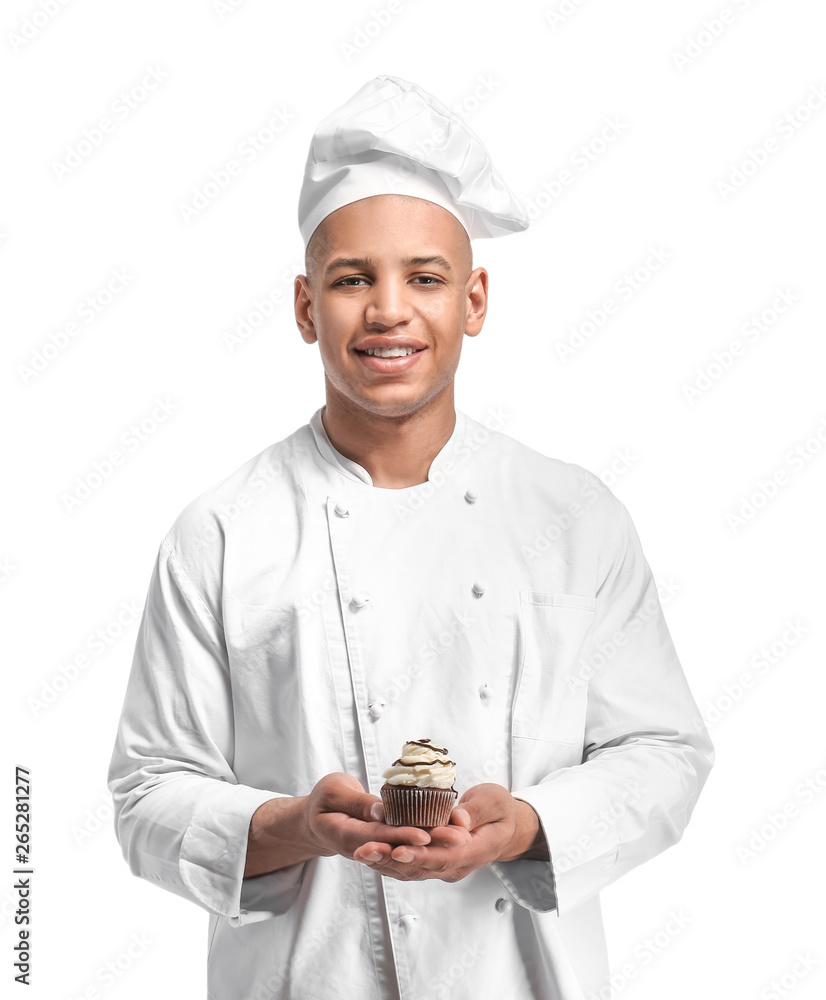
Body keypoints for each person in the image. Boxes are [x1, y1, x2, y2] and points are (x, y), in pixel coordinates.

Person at [107, 75, 714, 1000]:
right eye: (353, 279)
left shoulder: (573, 516)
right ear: (307, 307)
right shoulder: (223, 531)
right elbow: (149, 793)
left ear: (473, 300)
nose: (389, 310)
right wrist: (296, 823)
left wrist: (528, 824)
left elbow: (666, 752)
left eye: (424, 278)